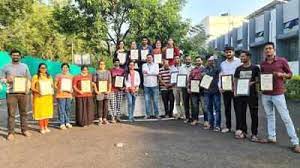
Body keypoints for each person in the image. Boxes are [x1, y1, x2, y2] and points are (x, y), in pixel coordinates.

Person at [260, 42, 300, 153]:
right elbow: (262, 77)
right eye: (266, 49)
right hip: (266, 94)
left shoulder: (282, 61)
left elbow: (290, 74)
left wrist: (282, 75)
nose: (268, 50)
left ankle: (295, 142)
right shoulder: (262, 64)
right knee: (270, 116)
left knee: (286, 118)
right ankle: (272, 137)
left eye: (270, 48)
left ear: (274, 50)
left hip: (278, 94)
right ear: (264, 51)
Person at [0, 49, 31, 140]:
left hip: (23, 93)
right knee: (11, 113)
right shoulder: (6, 67)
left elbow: (28, 78)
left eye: (17, 55)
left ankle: (24, 130)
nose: (16, 56)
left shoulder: (24, 66)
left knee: (24, 112)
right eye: (14, 55)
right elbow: (1, 78)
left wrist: (27, 90)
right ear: (11, 56)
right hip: (11, 93)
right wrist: (6, 80)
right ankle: (11, 133)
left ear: (20, 56)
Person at [233, 51, 260, 140]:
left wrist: (253, 82)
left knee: (254, 114)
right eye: (240, 57)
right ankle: (243, 131)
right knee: (241, 113)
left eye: (243, 56)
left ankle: (254, 134)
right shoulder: (238, 68)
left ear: (248, 57)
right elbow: (236, 80)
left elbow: (258, 80)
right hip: (241, 94)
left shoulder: (255, 68)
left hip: (252, 94)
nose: (241, 58)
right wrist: (235, 92)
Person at [219, 46, 241, 133]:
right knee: (227, 108)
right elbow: (221, 75)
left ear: (233, 52)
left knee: (237, 109)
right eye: (226, 52)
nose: (228, 53)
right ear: (225, 53)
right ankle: (228, 126)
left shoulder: (239, 62)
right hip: (226, 89)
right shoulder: (222, 64)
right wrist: (220, 86)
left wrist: (237, 87)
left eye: (230, 52)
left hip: (235, 89)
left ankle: (238, 128)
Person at [31, 63, 54, 134]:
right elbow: (32, 87)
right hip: (39, 97)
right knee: (41, 113)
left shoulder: (49, 76)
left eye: (44, 68)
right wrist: (38, 91)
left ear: (46, 69)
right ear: (39, 69)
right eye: (42, 68)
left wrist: (52, 89)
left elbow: (52, 86)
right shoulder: (35, 76)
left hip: (48, 97)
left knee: (47, 113)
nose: (43, 69)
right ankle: (41, 128)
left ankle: (46, 127)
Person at [202, 56, 221, 131]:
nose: (211, 62)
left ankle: (217, 125)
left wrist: (207, 75)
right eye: (209, 60)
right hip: (207, 91)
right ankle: (211, 124)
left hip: (216, 91)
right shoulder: (204, 69)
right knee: (209, 109)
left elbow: (219, 78)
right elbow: (203, 79)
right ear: (207, 61)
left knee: (217, 109)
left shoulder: (218, 69)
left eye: (212, 60)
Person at [55, 63, 73, 130]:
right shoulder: (58, 75)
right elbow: (55, 85)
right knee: (61, 109)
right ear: (61, 68)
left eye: (66, 67)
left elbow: (72, 86)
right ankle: (62, 123)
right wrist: (59, 89)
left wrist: (72, 90)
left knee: (67, 109)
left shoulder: (71, 76)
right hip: (61, 95)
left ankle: (67, 122)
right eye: (63, 67)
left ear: (68, 68)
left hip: (68, 95)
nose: (65, 69)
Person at [93, 60, 112, 125]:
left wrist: (109, 90)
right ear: (99, 65)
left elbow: (109, 82)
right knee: (100, 105)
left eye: (103, 64)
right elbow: (94, 83)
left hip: (106, 91)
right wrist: (96, 91)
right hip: (99, 92)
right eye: (100, 64)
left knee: (106, 106)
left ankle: (105, 119)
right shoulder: (96, 72)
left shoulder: (108, 72)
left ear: (105, 65)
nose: (102, 65)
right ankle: (100, 119)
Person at [142, 54, 160, 119]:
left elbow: (157, 73)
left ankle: (157, 114)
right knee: (147, 101)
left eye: (150, 57)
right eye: (148, 58)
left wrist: (148, 73)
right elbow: (144, 73)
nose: (149, 59)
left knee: (155, 101)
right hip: (146, 85)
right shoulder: (144, 65)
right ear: (146, 59)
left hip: (154, 85)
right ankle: (148, 114)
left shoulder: (156, 65)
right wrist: (152, 73)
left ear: (152, 58)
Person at [188, 57, 204, 126]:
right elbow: (190, 79)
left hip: (203, 90)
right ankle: (195, 120)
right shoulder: (193, 70)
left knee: (204, 106)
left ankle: (206, 120)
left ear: (202, 61)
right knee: (195, 106)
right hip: (194, 90)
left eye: (199, 61)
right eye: (196, 61)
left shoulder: (205, 69)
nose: (198, 62)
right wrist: (188, 87)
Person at [179, 55, 194, 123]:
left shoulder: (194, 68)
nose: (188, 60)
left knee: (193, 103)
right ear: (185, 60)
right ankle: (187, 117)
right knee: (185, 102)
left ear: (191, 60)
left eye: (189, 59)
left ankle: (193, 117)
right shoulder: (181, 68)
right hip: (184, 87)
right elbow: (180, 77)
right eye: (187, 59)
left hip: (192, 87)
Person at [110, 58, 125, 123]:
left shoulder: (122, 70)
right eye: (115, 62)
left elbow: (124, 79)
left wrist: (123, 87)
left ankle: (118, 116)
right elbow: (109, 79)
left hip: (120, 89)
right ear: (113, 63)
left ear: (119, 63)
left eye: (118, 62)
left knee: (119, 103)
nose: (117, 63)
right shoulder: (111, 70)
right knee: (112, 104)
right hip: (112, 89)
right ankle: (113, 117)